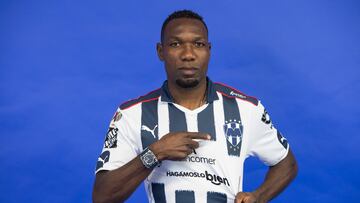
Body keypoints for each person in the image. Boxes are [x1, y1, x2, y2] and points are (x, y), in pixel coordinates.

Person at [92, 10, 298, 203]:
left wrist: (259, 196)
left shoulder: (246, 109)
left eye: (198, 44)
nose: (188, 54)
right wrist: (154, 153)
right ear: (160, 51)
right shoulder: (132, 114)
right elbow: (102, 196)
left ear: (209, 50)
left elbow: (286, 163)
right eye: (175, 44)